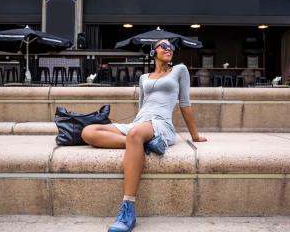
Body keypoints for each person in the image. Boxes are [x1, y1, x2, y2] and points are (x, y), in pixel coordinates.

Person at [81, 39, 207, 232]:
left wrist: (195, 136)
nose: (168, 49)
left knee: (135, 134)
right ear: (152, 52)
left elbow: (185, 104)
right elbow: (142, 105)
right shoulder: (144, 77)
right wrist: (136, 133)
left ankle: (128, 208)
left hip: (161, 124)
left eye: (171, 47)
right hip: (140, 124)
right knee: (88, 132)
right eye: (163, 46)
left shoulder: (180, 70)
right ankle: (142, 144)